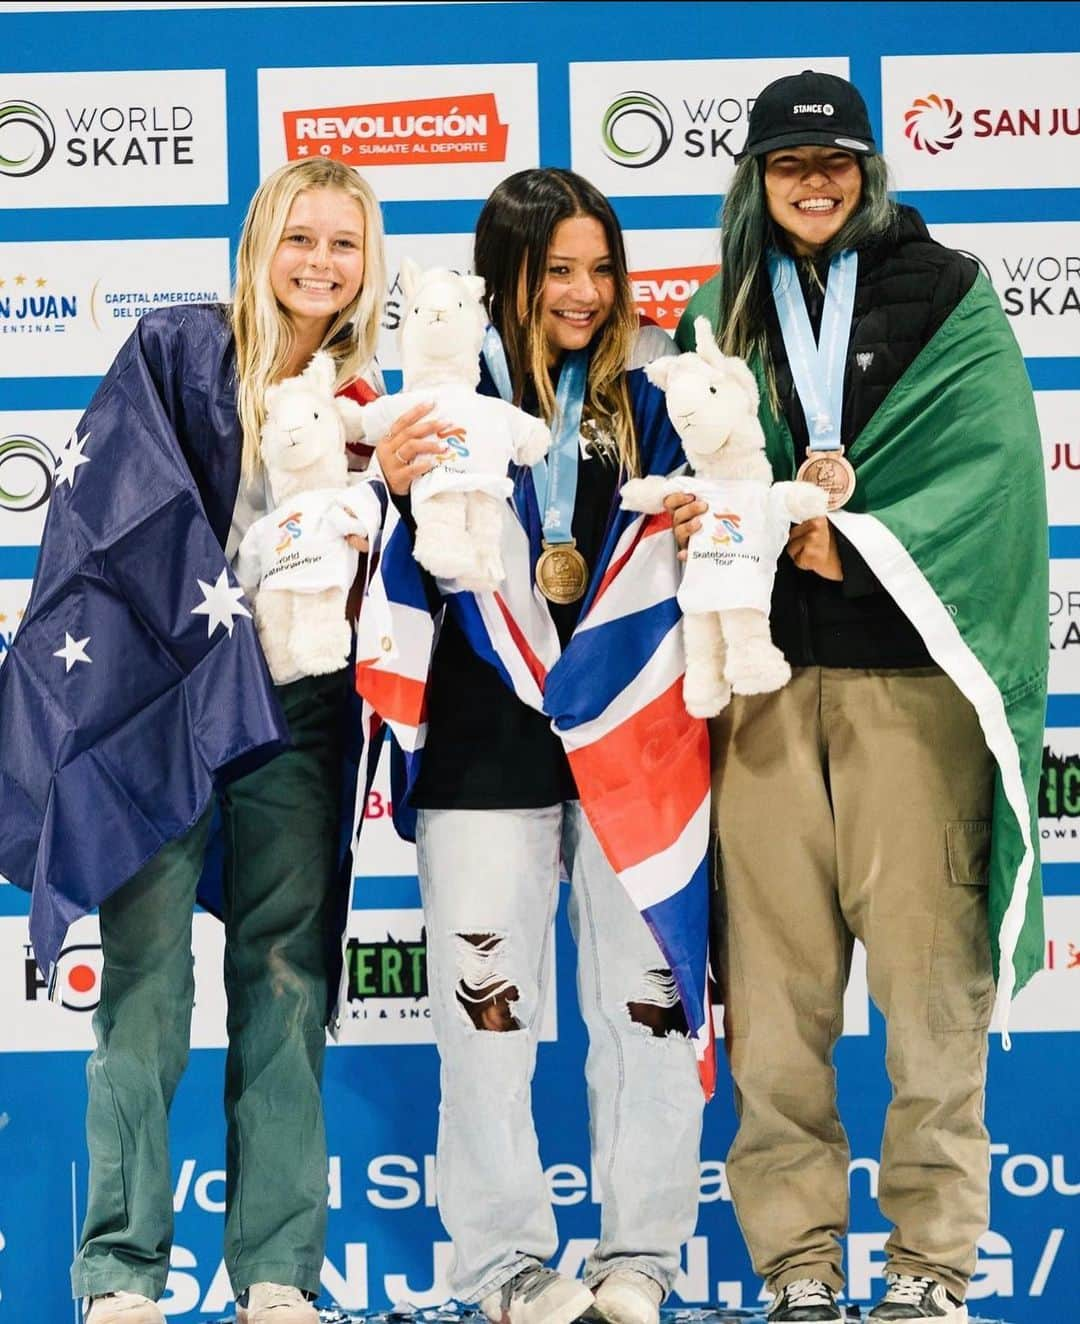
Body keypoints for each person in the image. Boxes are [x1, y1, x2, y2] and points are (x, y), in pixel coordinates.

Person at [671, 71, 1048, 1324]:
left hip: (909, 693)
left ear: (868, 168)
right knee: (776, 1000)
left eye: (834, 164)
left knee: (929, 991)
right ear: (758, 178)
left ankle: (932, 1269)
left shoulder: (949, 292)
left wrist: (861, 539)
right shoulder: (716, 306)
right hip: (764, 693)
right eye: (790, 166)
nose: (815, 184)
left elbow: (992, 482)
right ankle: (800, 1264)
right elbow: (695, 464)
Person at [0, 158, 386, 1324]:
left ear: (371, 265)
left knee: (284, 977)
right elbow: (111, 522)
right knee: (145, 985)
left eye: (346, 244)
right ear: (260, 242)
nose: (321, 263)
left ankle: (276, 1273)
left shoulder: (372, 396)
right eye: (301, 237)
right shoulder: (174, 347)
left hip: (297, 718)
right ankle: (120, 1271)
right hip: (164, 710)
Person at [361, 168, 709, 1324]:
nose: (585, 291)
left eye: (601, 267)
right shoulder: (443, 394)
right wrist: (394, 486)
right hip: (481, 742)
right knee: (487, 1014)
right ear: (504, 272)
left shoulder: (655, 393)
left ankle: (642, 1257)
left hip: (633, 741)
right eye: (558, 268)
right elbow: (372, 557)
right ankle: (504, 1261)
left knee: (650, 1011)